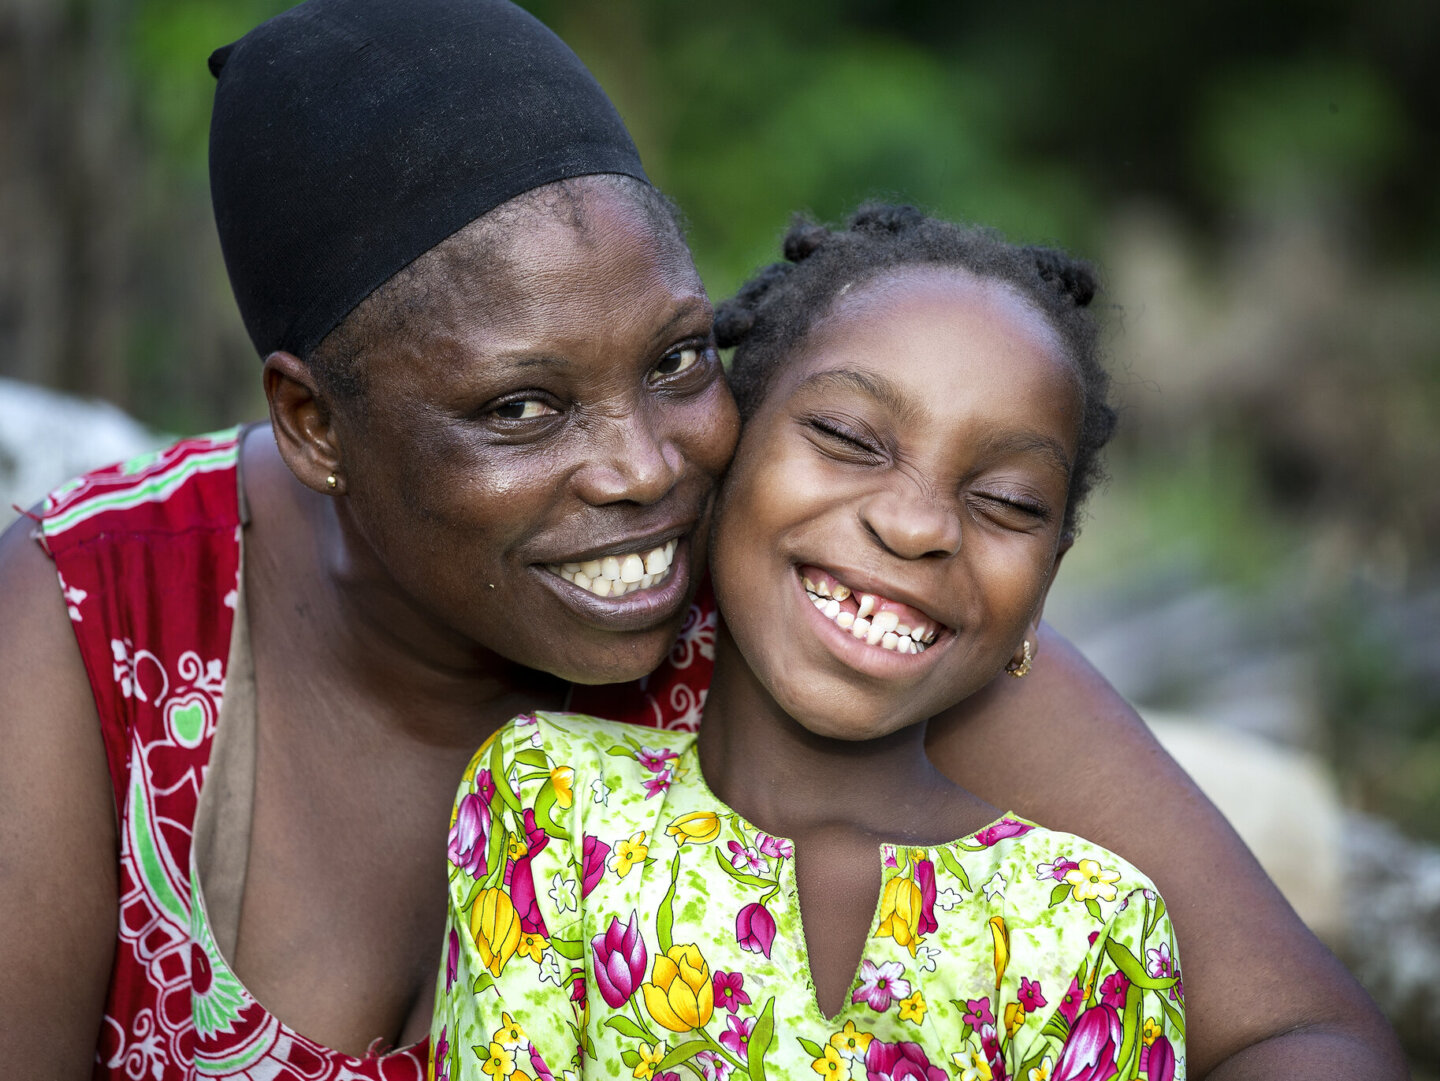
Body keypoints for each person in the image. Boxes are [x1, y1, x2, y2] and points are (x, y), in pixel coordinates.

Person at [0, 0, 1402, 1078]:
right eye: (523, 406)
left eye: (677, 360)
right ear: (312, 424)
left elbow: (1302, 1033)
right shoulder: (93, 623)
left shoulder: (810, 591)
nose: (647, 469)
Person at [432, 206, 1188, 1081]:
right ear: (729, 450)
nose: (914, 526)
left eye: (1010, 501)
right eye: (846, 438)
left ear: (1046, 582)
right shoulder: (552, 801)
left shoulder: (1090, 927)